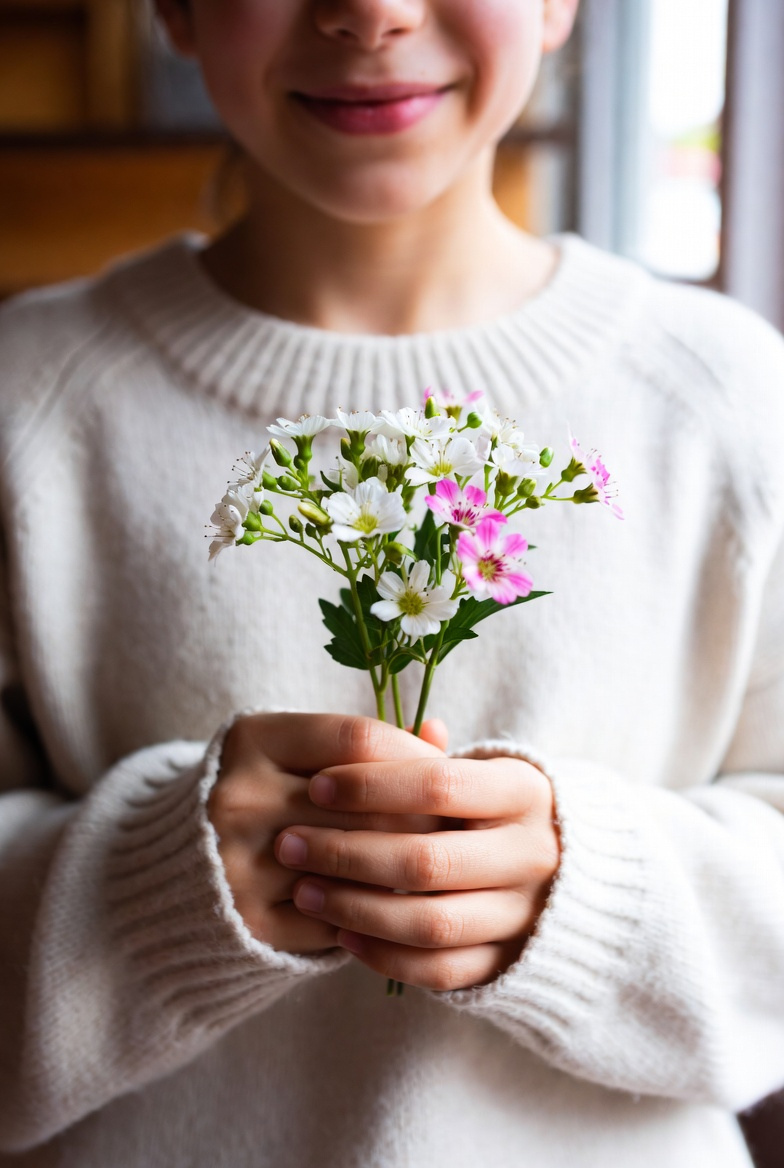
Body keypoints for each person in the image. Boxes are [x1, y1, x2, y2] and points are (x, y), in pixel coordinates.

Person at [0, 1, 783, 1165]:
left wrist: (594, 894)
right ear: (173, 9)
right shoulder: (29, 399)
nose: (370, 11)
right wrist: (150, 893)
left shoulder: (728, 396)